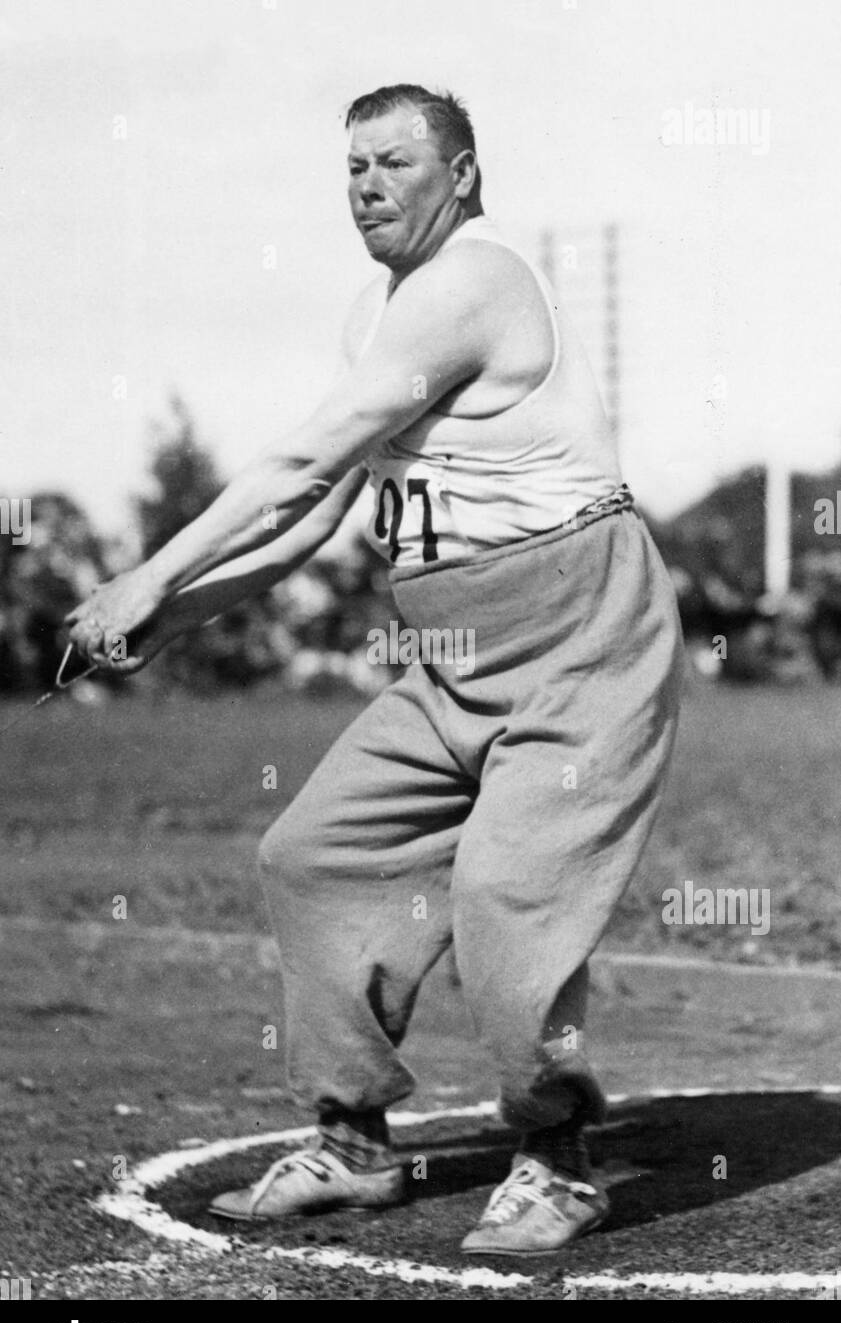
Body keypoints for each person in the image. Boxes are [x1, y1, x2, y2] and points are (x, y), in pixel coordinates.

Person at [67, 84, 683, 1256]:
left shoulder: (480, 278)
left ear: (460, 175)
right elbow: (315, 519)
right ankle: (353, 1143)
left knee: (508, 900)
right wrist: (182, 613)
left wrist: (145, 573)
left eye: (395, 161)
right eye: (351, 166)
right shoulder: (380, 312)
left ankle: (557, 1156)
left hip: (582, 634)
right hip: (449, 650)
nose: (366, 185)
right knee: (316, 854)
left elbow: (298, 464)